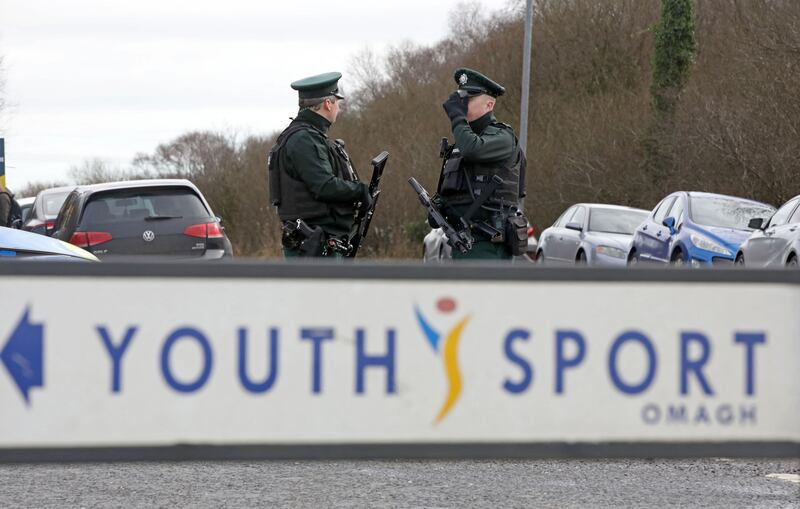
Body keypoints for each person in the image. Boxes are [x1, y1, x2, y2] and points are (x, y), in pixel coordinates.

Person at [268, 71, 370, 258]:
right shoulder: (304, 139)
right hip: (313, 247)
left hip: (317, 244)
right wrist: (360, 191)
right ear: (327, 104)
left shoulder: (309, 136)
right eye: (337, 103)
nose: (338, 109)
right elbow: (323, 186)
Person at [437, 68, 526, 260]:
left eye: (468, 97)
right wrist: (441, 206)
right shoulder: (461, 143)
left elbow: (473, 149)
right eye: (460, 97)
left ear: (489, 104)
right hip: (461, 241)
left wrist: (457, 119)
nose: (461, 103)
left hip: (489, 245)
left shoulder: (502, 137)